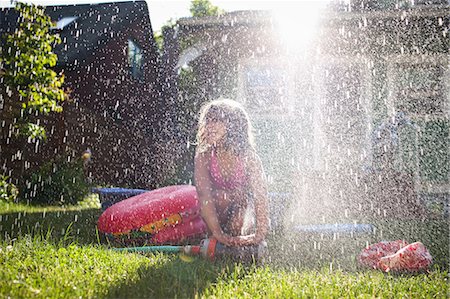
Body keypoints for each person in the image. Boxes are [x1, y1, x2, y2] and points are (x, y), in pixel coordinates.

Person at [194, 98, 269, 247]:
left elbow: (260, 195)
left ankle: (233, 232)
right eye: (207, 121)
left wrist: (260, 233)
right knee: (222, 197)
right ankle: (212, 232)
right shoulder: (204, 156)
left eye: (215, 120)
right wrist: (217, 232)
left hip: (239, 206)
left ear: (233, 126)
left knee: (238, 218)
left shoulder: (248, 158)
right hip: (214, 208)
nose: (209, 126)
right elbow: (203, 194)